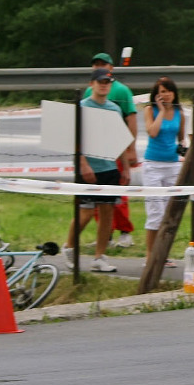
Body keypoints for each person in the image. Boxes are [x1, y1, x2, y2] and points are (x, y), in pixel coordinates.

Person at [63, 68, 131, 272]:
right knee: (85, 213)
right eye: (100, 82)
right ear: (92, 84)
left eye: (107, 82)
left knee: (107, 213)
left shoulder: (114, 109)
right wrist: (83, 163)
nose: (104, 85)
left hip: (109, 168)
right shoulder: (83, 107)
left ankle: (99, 256)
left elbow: (119, 139)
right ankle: (69, 246)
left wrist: (125, 167)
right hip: (88, 168)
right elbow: (74, 138)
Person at [86, 53, 138, 248]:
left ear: (111, 68)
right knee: (95, 197)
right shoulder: (88, 92)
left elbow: (131, 119)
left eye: (103, 64)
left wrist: (130, 148)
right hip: (94, 152)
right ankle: (105, 236)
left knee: (118, 194)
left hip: (114, 149)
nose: (99, 66)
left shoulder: (121, 90)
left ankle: (125, 232)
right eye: (96, 64)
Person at [141, 76, 185, 268]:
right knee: (155, 213)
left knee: (169, 213)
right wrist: (161, 111)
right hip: (153, 164)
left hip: (172, 165)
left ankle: (163, 254)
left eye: (168, 91)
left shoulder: (179, 113)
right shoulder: (150, 110)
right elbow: (152, 131)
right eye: (161, 92)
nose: (165, 95)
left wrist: (183, 150)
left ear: (174, 93)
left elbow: (181, 138)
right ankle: (150, 255)